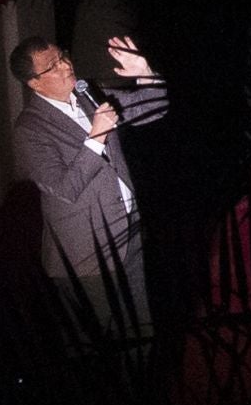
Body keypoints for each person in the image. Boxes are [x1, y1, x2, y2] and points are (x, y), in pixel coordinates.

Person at [10, 34, 169, 334]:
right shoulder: (29, 128)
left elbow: (155, 108)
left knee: (142, 331)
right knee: (100, 340)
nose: (66, 66)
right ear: (34, 83)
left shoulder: (88, 93)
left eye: (63, 56)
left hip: (129, 236)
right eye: (53, 66)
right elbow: (64, 188)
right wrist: (97, 136)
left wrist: (145, 73)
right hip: (86, 256)